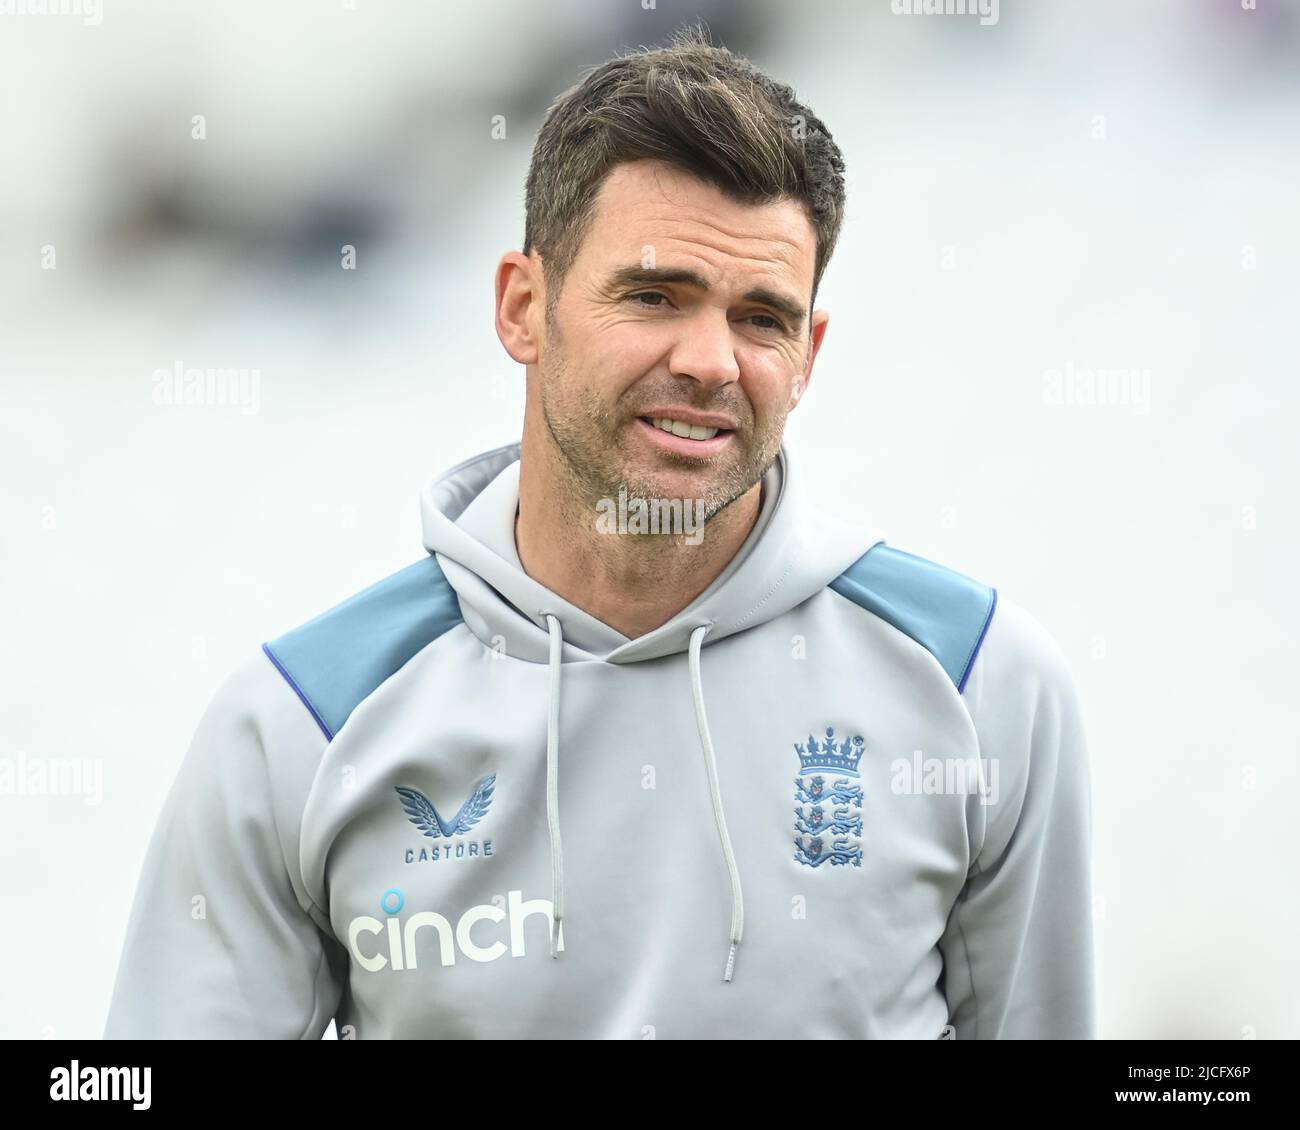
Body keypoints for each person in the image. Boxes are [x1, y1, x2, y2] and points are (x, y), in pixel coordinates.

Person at [104, 24, 1095, 1040]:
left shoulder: (982, 684)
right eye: (655, 295)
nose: (712, 359)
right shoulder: (300, 723)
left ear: (809, 354)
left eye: (762, 317)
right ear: (523, 307)